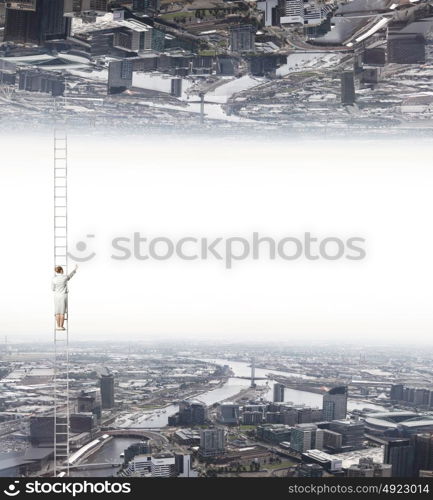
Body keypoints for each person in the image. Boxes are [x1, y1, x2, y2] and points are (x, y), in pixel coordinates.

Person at [52, 264, 78, 331]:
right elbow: (70, 275)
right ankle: (61, 326)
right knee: (62, 312)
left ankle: (58, 326)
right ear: (61, 270)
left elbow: (52, 289)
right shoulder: (64, 277)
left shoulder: (54, 279)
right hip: (63, 296)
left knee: (57, 312)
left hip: (56, 296)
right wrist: (75, 269)